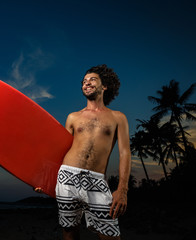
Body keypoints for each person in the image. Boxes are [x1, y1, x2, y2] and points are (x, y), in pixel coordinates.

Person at [36, 64, 131, 240]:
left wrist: (122, 189)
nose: (86, 83)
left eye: (92, 80)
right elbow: (61, 149)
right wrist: (46, 180)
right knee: (69, 231)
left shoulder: (118, 117)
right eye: (84, 81)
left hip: (97, 181)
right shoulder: (73, 117)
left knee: (110, 234)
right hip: (67, 177)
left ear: (104, 86)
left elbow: (125, 153)